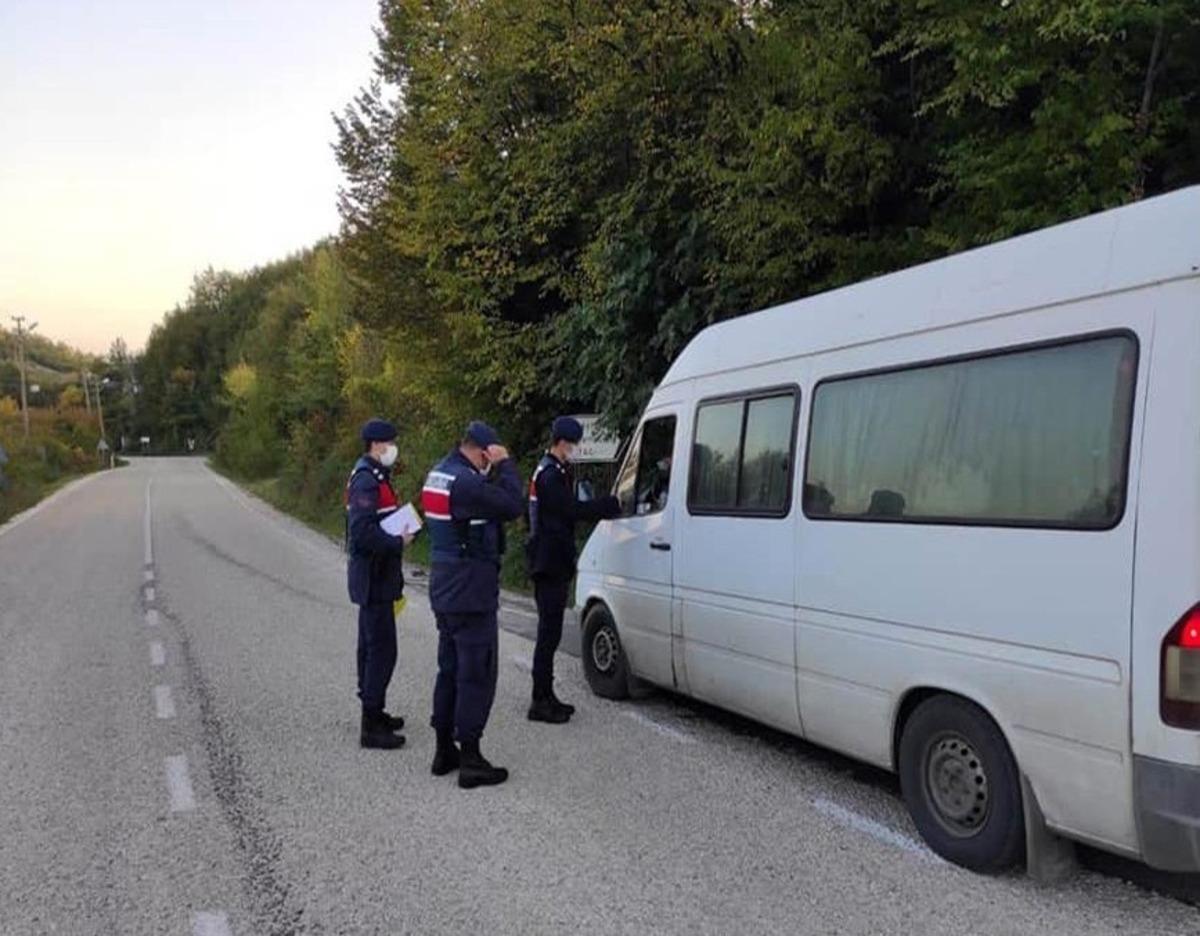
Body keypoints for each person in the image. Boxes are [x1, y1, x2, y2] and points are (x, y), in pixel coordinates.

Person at [421, 420, 524, 788]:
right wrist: (506, 464)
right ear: (483, 452)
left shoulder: (439, 474)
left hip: (445, 585)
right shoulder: (466, 481)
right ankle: (471, 759)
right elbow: (513, 504)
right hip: (470, 591)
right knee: (475, 672)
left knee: (448, 669)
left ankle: (443, 749)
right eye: (490, 456)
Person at [525, 416, 621, 723]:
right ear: (562, 443)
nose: (576, 449)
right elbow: (571, 510)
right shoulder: (550, 475)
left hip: (553, 559)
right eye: (573, 444)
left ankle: (547, 695)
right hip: (548, 562)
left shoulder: (556, 470)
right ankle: (540, 701)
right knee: (547, 634)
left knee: (550, 633)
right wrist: (607, 506)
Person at [345, 418, 411, 750]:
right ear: (376, 445)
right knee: (381, 650)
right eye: (389, 443)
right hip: (373, 578)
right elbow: (362, 532)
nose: (393, 449)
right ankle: (370, 725)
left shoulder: (377, 476)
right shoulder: (365, 481)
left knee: (372, 648)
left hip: (380, 576)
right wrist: (398, 542)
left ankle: (376, 709)